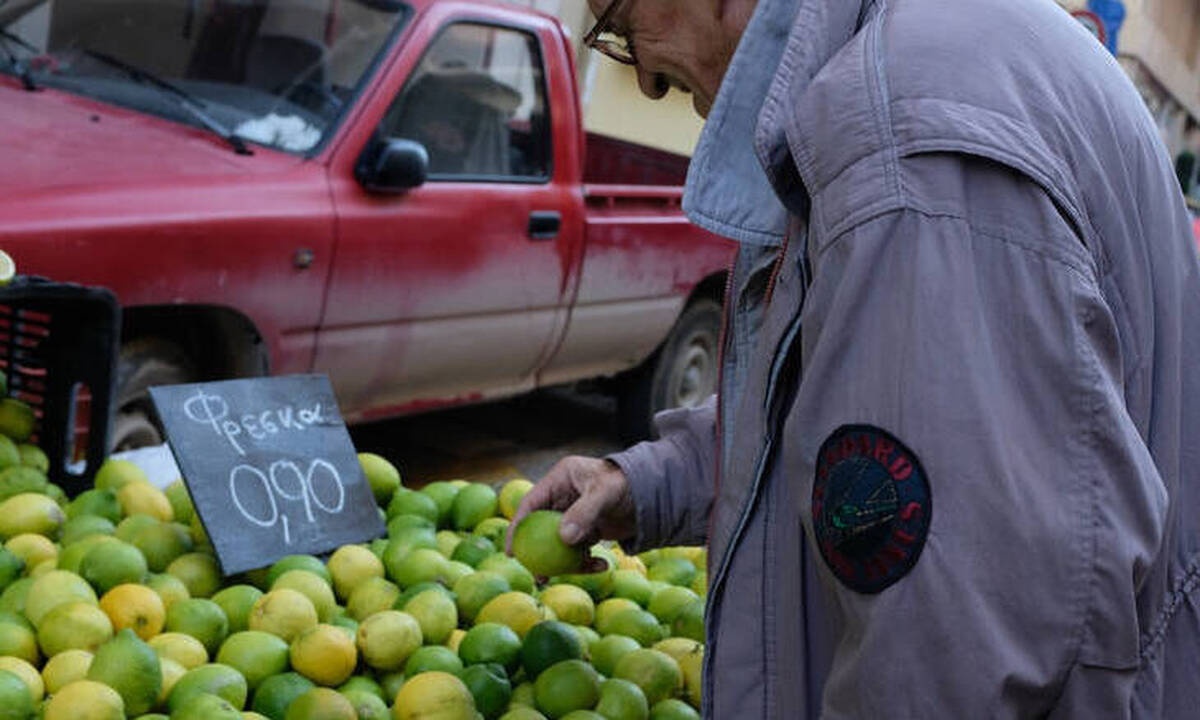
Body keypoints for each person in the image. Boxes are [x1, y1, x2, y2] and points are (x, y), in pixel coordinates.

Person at [508, 0, 1200, 716]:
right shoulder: (906, 68)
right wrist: (656, 479)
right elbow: (852, 392)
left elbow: (954, 653)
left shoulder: (902, 145)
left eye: (617, 21)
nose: (645, 79)